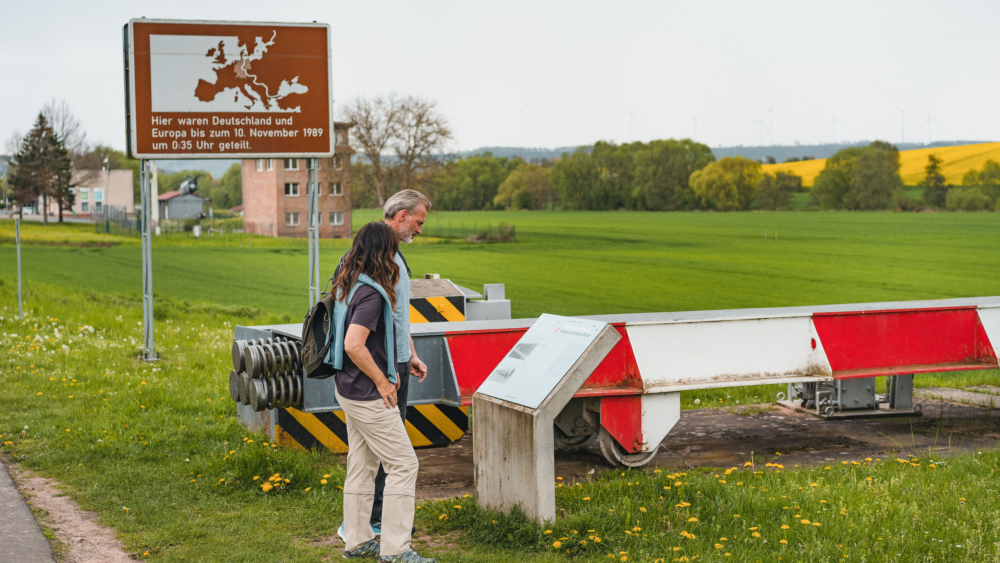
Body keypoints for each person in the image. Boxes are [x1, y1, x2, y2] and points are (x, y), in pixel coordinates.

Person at [331, 221, 435, 563]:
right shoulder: (373, 294)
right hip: (367, 394)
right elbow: (353, 344)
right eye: (393, 250)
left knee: (361, 465)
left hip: (346, 388)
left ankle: (358, 540)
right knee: (404, 465)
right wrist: (382, 381)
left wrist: (409, 356)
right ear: (384, 253)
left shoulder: (347, 282)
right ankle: (396, 551)